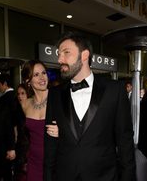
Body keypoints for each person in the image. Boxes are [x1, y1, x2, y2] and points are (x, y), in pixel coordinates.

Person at [44, 31, 136, 181]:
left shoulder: (115, 90)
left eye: (66, 53)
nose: (60, 59)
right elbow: (50, 145)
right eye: (59, 54)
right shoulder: (55, 93)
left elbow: (125, 141)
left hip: (104, 176)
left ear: (84, 55)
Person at [15, 60, 58, 181]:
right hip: (34, 161)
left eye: (43, 73)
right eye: (36, 75)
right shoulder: (25, 104)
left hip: (56, 161)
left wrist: (62, 131)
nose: (42, 77)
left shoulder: (58, 98)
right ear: (28, 81)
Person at [0, 73, 17, 180]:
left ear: (5, 84)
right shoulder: (17, 94)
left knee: (7, 168)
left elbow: (5, 122)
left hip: (8, 135)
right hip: (19, 133)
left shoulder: (4, 99)